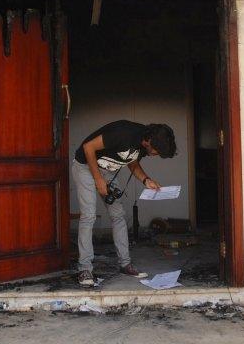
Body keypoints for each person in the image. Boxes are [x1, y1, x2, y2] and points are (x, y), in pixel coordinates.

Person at [72, 120, 177, 286]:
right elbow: (88, 147)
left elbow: (131, 161)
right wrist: (98, 179)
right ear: (149, 141)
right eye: (157, 151)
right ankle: (85, 269)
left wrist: (146, 180)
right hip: (85, 166)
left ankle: (125, 264)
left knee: (119, 215)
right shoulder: (124, 133)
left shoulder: (143, 146)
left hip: (108, 171)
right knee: (89, 216)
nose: (156, 154)